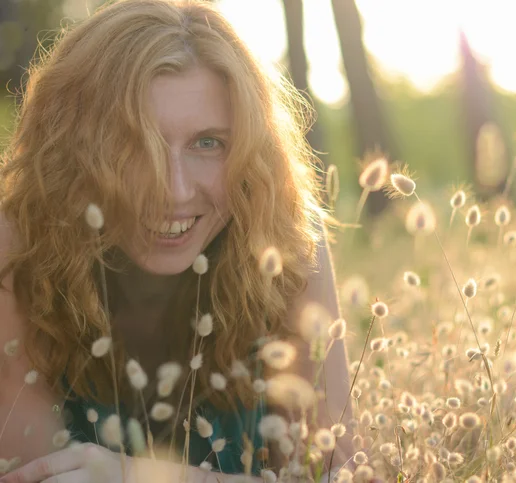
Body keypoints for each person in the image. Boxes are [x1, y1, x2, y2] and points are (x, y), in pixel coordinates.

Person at [0, 0, 354, 481]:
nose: (174, 190)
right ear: (71, 148)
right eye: (132, 143)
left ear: (251, 151)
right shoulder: (18, 252)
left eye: (208, 143)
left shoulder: (284, 247)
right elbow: (34, 476)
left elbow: (337, 473)